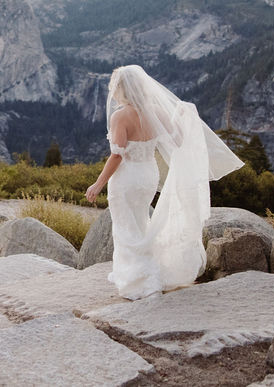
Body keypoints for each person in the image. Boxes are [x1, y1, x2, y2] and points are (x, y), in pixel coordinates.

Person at [85, 65, 243, 299]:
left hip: (127, 178)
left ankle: (136, 278)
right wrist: (182, 116)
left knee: (126, 226)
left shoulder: (120, 116)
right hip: (148, 176)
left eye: (115, 87)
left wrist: (98, 183)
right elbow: (178, 140)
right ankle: (148, 272)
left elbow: (117, 155)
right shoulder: (157, 111)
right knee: (142, 222)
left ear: (122, 89)